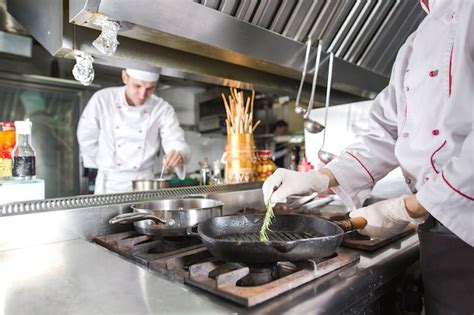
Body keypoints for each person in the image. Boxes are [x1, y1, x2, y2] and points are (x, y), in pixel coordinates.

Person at [263, 1, 473, 314]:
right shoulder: (416, 40)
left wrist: (408, 207)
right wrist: (319, 178)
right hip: (443, 234)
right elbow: (386, 131)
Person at [77, 68, 190, 194]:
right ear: (125, 77)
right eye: (137, 86)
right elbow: (86, 137)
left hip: (145, 185)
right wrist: (104, 162)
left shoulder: (162, 108)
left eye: (150, 88)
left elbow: (175, 140)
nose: (142, 95)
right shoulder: (103, 99)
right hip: (109, 184)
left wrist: (178, 154)